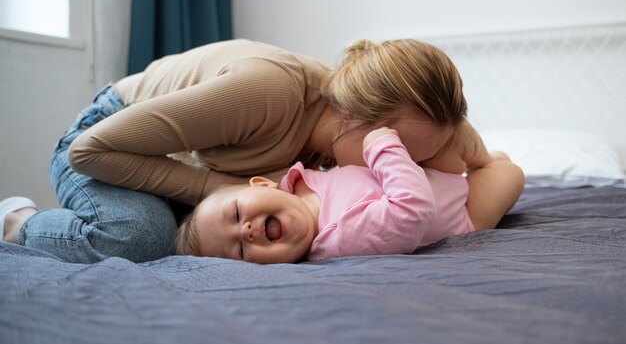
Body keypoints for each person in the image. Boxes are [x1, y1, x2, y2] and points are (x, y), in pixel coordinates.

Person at [1, 38, 480, 263]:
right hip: (100, 138)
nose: (404, 167)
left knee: (207, 237)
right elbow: (90, 151)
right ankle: (19, 222)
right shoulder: (269, 91)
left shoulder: (355, 123)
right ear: (358, 119)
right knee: (142, 235)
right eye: (400, 151)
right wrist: (216, 188)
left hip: (172, 162)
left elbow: (460, 154)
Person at [175, 126, 525, 263]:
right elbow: (413, 209)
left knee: (455, 134)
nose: (246, 231)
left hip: (429, 173)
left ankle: (486, 160)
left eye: (236, 214)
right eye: (239, 250)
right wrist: (382, 146)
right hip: (461, 211)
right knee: (509, 172)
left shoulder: (301, 181)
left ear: (262, 184)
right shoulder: (340, 237)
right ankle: (491, 164)